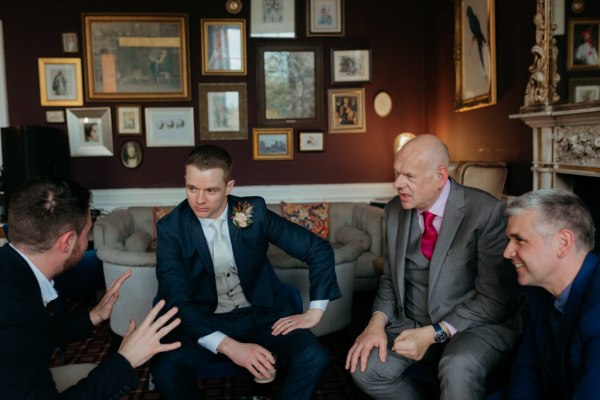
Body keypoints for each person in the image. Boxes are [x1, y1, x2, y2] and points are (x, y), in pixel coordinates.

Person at [149, 144, 341, 399]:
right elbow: (176, 299)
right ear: (185, 181)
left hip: (262, 317)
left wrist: (315, 313)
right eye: (192, 188)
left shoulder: (251, 212)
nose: (199, 200)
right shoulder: (170, 228)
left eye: (211, 190)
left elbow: (318, 249)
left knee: (314, 357)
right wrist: (230, 347)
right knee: (165, 367)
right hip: (204, 319)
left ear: (229, 187)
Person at [345, 134, 521, 399]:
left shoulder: (485, 212)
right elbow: (390, 280)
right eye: (396, 174)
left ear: (439, 177)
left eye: (408, 176)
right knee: (363, 368)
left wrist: (434, 334)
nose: (397, 184)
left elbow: (493, 301)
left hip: (473, 326)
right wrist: (375, 323)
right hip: (411, 322)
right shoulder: (394, 210)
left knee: (457, 366)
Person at [0, 177, 182, 398]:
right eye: (88, 233)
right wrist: (127, 359)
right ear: (67, 242)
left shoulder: (9, 268)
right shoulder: (15, 314)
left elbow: (38, 333)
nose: (88, 241)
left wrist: (93, 316)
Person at [503, 189, 599, 398]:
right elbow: (527, 368)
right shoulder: (540, 292)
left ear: (563, 243)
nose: (507, 252)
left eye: (519, 240)